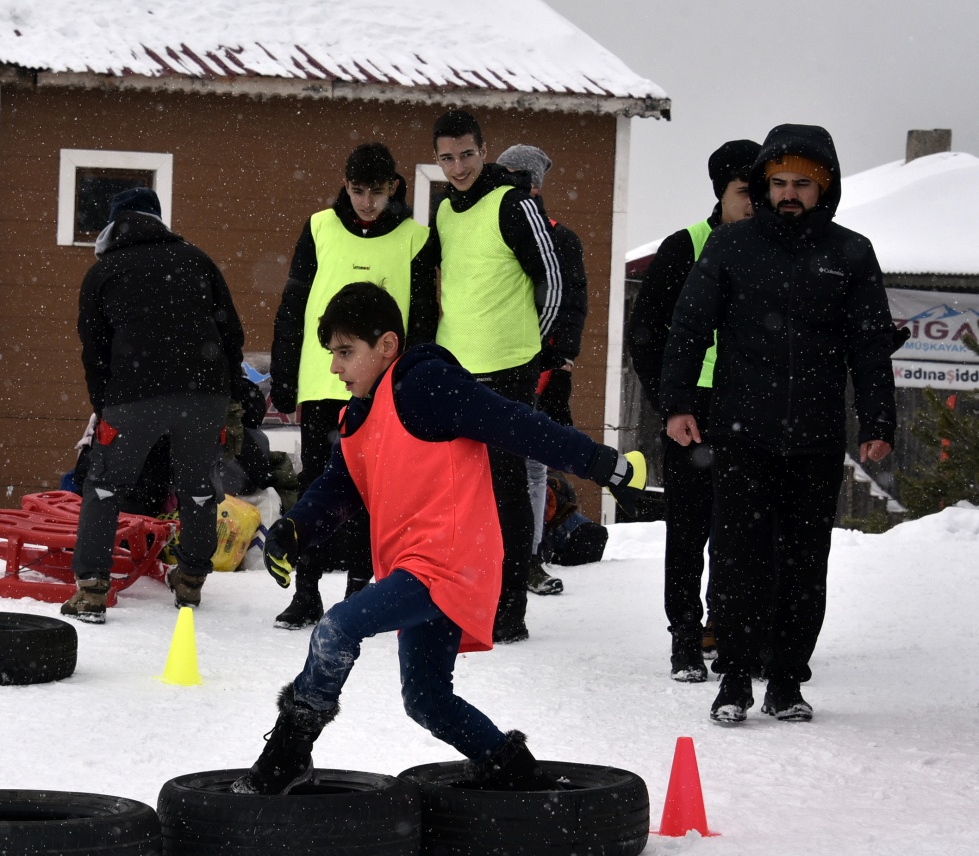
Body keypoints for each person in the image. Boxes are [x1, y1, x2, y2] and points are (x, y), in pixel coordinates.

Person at [232, 282, 645, 795]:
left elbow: (515, 424)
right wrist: (295, 528)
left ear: (386, 346)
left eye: (345, 352)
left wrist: (602, 464)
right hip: (413, 569)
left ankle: (287, 755)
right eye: (331, 354)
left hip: (449, 562)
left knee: (337, 627)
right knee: (426, 700)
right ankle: (512, 769)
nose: (335, 367)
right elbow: (339, 486)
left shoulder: (426, 384)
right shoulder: (359, 413)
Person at [660, 125, 897, 723]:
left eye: (803, 184)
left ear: (825, 188)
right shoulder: (732, 247)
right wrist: (679, 404)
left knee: (803, 561)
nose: (789, 194)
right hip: (742, 432)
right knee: (739, 558)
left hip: (816, 436)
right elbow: (689, 328)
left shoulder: (851, 253)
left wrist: (878, 421)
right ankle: (734, 679)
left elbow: (870, 347)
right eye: (779, 183)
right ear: (765, 186)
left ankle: (787, 680)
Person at [269, 142, 437, 629]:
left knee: (373, 492)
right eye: (358, 190)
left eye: (378, 191)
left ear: (394, 188)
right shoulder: (319, 227)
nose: (367, 201)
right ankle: (306, 592)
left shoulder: (415, 238)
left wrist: (416, 379)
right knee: (314, 486)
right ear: (345, 184)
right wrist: (284, 372)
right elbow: (293, 304)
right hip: (322, 380)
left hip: (382, 387)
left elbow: (423, 318)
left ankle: (360, 592)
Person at [63, 187, 245, 623]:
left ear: (113, 224)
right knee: (198, 489)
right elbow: (231, 335)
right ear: (159, 220)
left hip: (133, 395)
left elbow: (94, 352)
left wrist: (105, 406)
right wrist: (224, 392)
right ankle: (191, 582)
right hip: (204, 393)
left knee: (105, 486)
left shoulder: (103, 272)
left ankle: (91, 591)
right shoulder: (198, 260)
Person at [426, 112, 566, 643]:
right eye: (446, 157)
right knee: (461, 492)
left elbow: (551, 281)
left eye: (466, 154)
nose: (458, 166)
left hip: (510, 371)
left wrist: (532, 347)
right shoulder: (444, 211)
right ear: (437, 160)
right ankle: (465, 600)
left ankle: (509, 612)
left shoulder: (514, 202)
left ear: (484, 150)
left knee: (508, 492)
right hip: (458, 370)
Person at [628, 139, 761, 683]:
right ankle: (685, 635)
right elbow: (646, 334)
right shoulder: (686, 246)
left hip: (750, 408)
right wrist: (669, 404)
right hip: (692, 408)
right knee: (687, 529)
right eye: (743, 193)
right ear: (720, 193)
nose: (754, 203)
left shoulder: (770, 248)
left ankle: (726, 629)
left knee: (741, 529)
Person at [494, 143, 588, 600]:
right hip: (488, 362)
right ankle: (489, 559)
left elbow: (572, 303)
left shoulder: (561, 238)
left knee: (532, 469)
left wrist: (563, 362)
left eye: (515, 175)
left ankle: (527, 559)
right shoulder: (488, 223)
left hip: (540, 367)